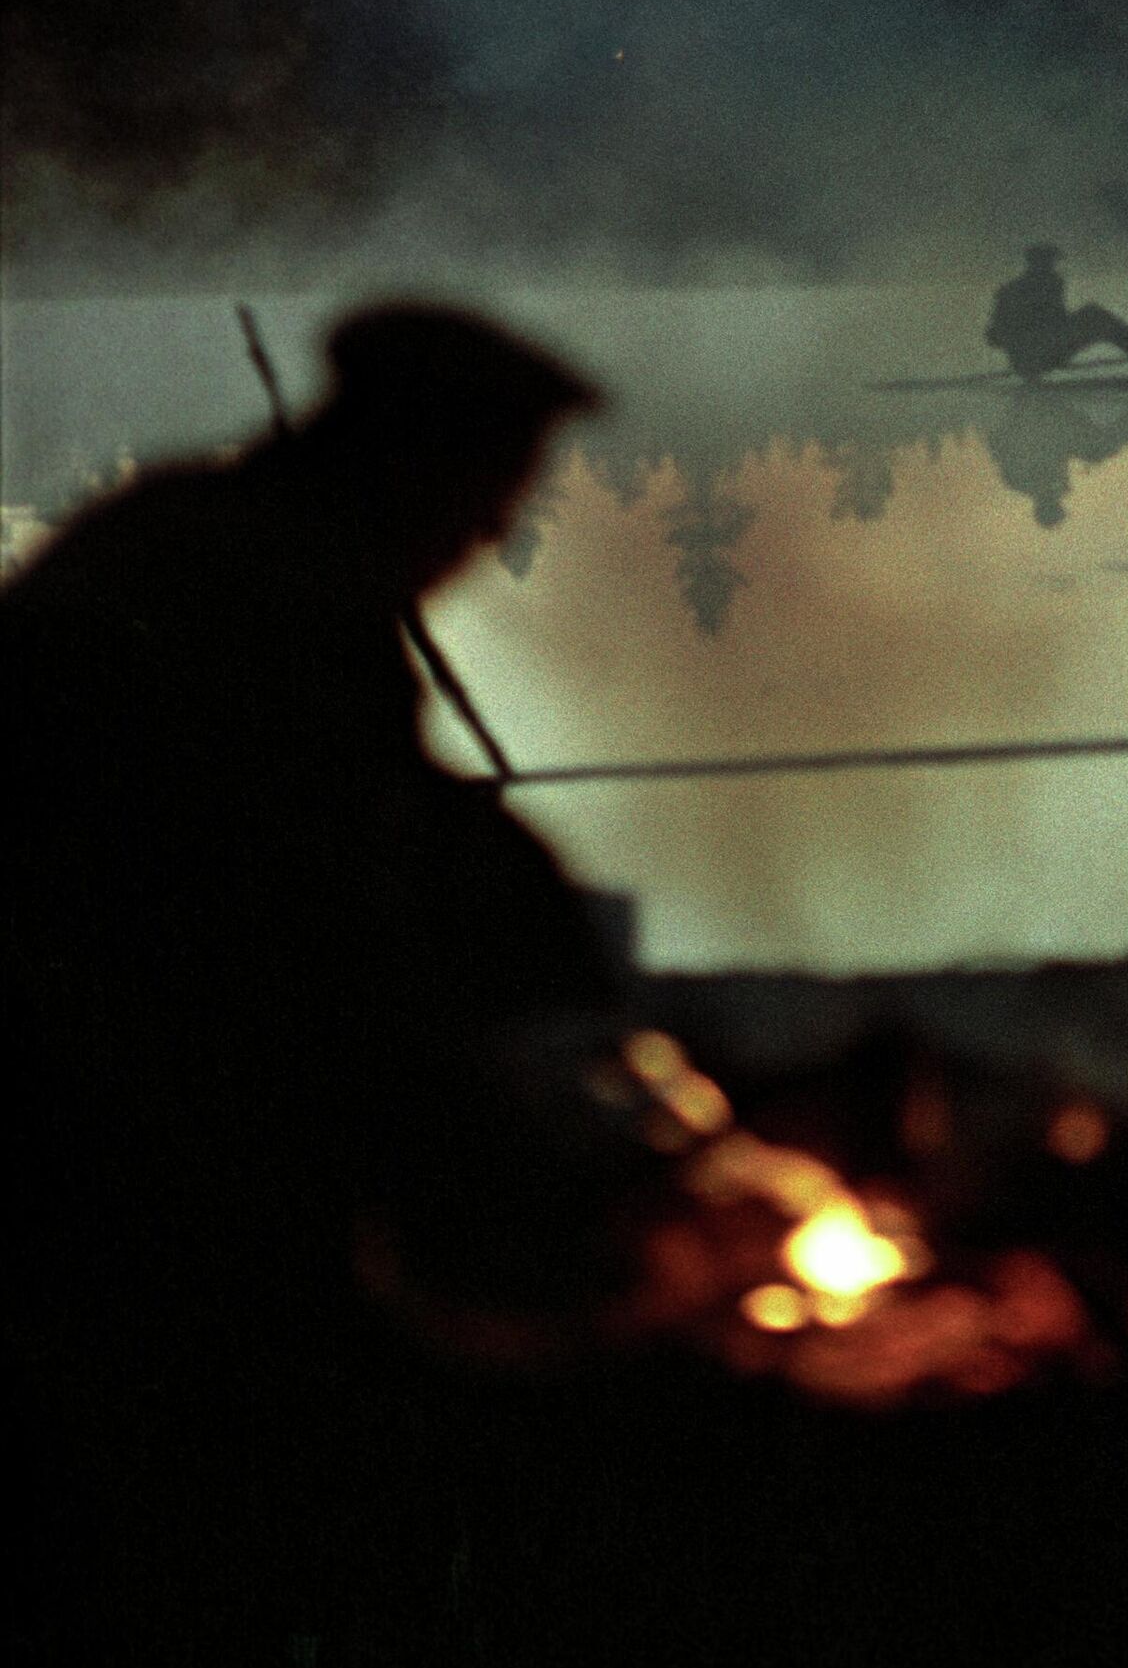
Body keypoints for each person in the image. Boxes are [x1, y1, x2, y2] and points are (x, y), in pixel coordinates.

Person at [7, 302, 650, 1364]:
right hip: (97, 1094)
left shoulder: (227, 546)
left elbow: (400, 813)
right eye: (488, 505)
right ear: (411, 466)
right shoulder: (255, 600)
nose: (485, 540)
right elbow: (300, 912)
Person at [985, 243, 1128, 382]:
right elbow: (995, 337)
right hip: (1032, 360)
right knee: (1096, 316)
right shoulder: (1019, 290)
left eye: (1052, 262)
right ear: (1036, 264)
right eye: (1049, 262)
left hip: (1038, 356)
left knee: (1096, 318)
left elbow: (995, 337)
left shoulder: (1040, 285)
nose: (1053, 267)